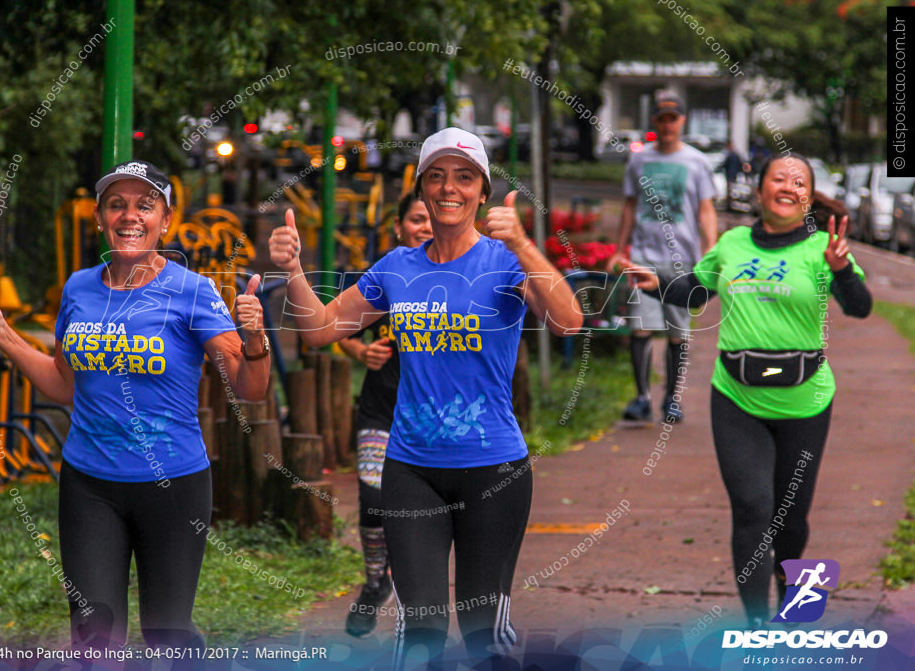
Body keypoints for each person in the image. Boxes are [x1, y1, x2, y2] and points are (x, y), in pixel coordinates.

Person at [269, 128, 582, 668]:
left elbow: (569, 321)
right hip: (411, 468)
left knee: (484, 630)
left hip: (494, 470)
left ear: (483, 192)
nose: (449, 188)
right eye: (436, 176)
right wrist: (294, 271)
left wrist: (525, 244)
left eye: (464, 177)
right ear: (422, 188)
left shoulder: (506, 262)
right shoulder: (397, 268)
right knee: (422, 628)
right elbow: (319, 329)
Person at [0, 160, 270, 651]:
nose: (130, 216)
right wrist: (3, 334)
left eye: (144, 205)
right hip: (89, 487)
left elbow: (249, 389)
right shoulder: (78, 288)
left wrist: (256, 339)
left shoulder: (193, 291)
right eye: (117, 205)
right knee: (93, 641)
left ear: (165, 220)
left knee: (166, 639)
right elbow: (66, 384)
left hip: (173, 487)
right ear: (100, 217)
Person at [625, 154, 872, 627]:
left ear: (808, 197)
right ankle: (756, 624)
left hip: (806, 401)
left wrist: (841, 270)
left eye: (798, 182)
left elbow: (860, 306)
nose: (787, 186)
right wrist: (655, 282)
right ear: (758, 191)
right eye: (777, 178)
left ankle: (795, 609)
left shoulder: (825, 248)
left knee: (791, 519)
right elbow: (698, 291)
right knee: (752, 508)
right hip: (737, 397)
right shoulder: (733, 243)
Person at [337, 192, 433, 638]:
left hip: (434, 419)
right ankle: (377, 582)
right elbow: (334, 327)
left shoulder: (462, 278)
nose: (426, 226)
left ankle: (417, 600)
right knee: (374, 500)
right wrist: (362, 350)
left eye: (432, 218)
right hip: (380, 411)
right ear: (399, 227)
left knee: (419, 513)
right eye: (416, 219)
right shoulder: (384, 277)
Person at [607, 90, 718, 424]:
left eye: (673, 118)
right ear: (654, 122)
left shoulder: (696, 161)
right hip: (644, 256)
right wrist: (619, 248)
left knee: (677, 331)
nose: (668, 125)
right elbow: (629, 207)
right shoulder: (639, 160)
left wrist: (711, 251)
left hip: (683, 259)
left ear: (682, 121)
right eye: (662, 119)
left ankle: (671, 398)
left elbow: (706, 209)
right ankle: (641, 397)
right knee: (641, 328)